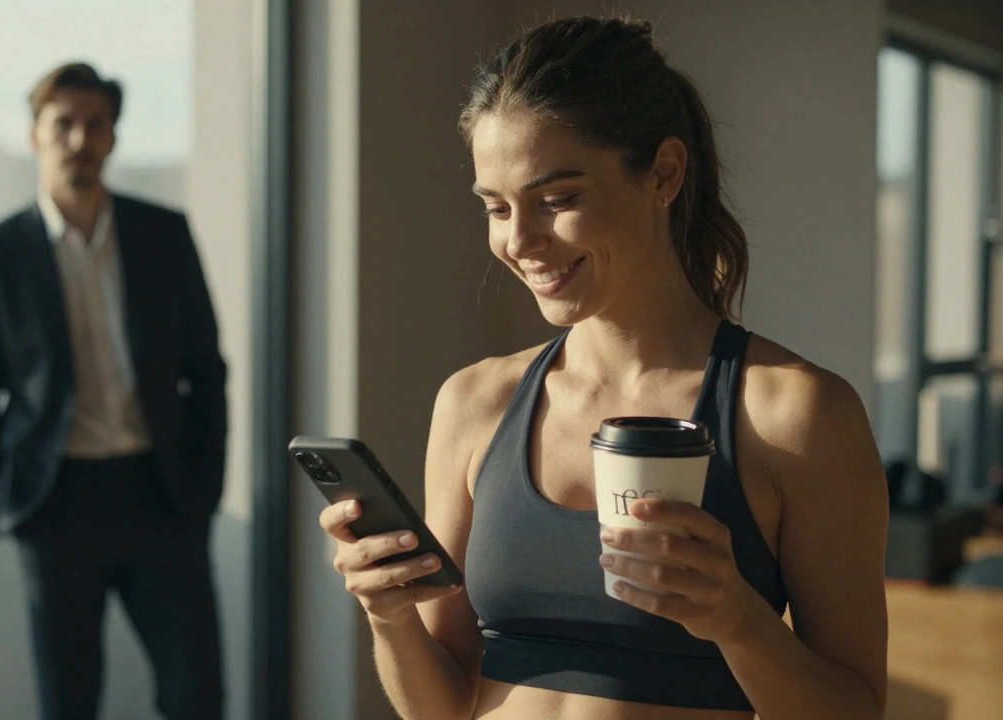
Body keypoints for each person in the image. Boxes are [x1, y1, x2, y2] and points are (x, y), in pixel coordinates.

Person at [319, 16, 888, 720]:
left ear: (664, 173)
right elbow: (442, 708)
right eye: (497, 208)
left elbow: (855, 709)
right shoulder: (476, 402)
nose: (520, 241)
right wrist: (389, 617)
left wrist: (738, 620)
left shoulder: (793, 415)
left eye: (557, 200)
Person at [0, 62, 227, 720]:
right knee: (68, 703)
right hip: (56, 508)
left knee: (197, 697)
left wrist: (204, 490)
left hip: (159, 497)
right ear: (35, 136)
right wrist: (5, 496)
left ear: (112, 139)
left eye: (94, 124)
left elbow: (206, 370)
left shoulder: (163, 234)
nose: (79, 137)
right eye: (63, 123)